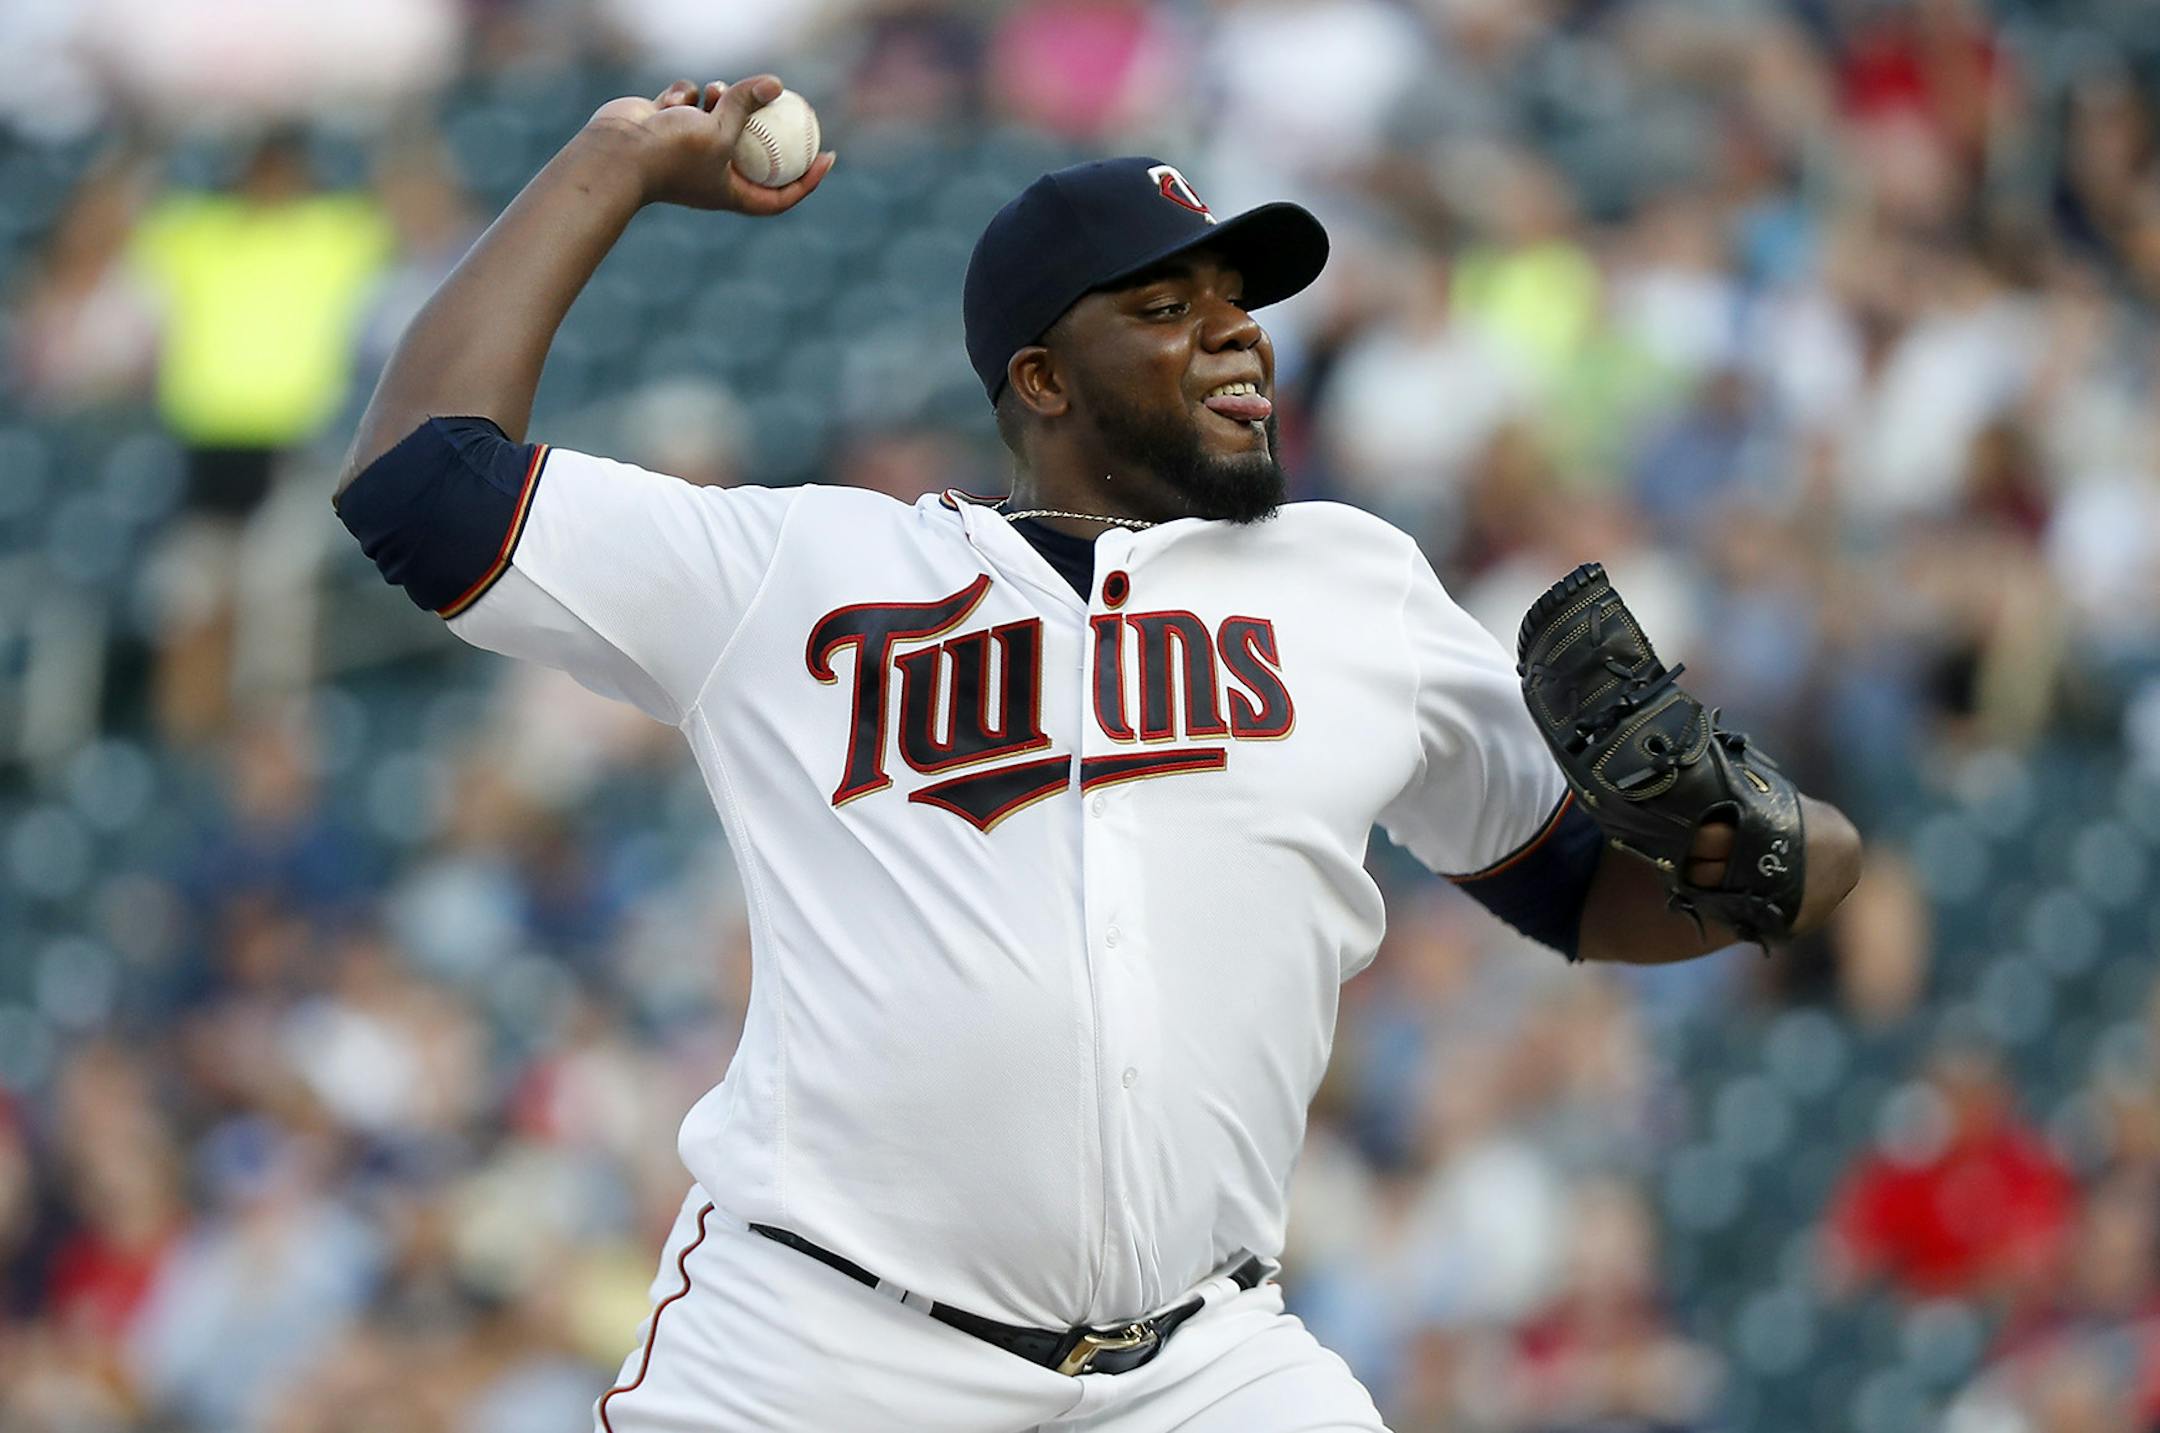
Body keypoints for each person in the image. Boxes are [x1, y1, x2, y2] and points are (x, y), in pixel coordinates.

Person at [332, 75, 1863, 1433]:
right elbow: (418, 481)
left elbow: (1584, 890)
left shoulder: (1353, 584)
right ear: (1041, 381)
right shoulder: (802, 567)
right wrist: (612, 160)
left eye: (1238, 297)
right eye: (1166, 305)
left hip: (1203, 1364)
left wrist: (1768, 859)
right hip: (825, 1345)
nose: (1235, 330)